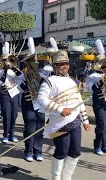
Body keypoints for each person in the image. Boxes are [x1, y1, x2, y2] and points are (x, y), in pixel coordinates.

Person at [38, 50, 91, 180]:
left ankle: (66, 178)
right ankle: (56, 178)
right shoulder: (49, 81)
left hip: (75, 121)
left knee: (76, 152)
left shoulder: (73, 81)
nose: (65, 66)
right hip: (59, 122)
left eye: (66, 64)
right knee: (62, 151)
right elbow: (41, 98)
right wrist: (60, 109)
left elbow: (79, 102)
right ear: (55, 66)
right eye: (61, 64)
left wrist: (85, 120)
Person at [0, 42, 24, 143]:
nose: (7, 62)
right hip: (5, 94)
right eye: (5, 61)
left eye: (9, 60)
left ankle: (12, 134)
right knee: (6, 115)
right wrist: (6, 70)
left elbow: (22, 77)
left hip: (15, 94)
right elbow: (1, 82)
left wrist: (12, 68)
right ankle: (6, 134)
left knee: (14, 115)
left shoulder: (16, 71)